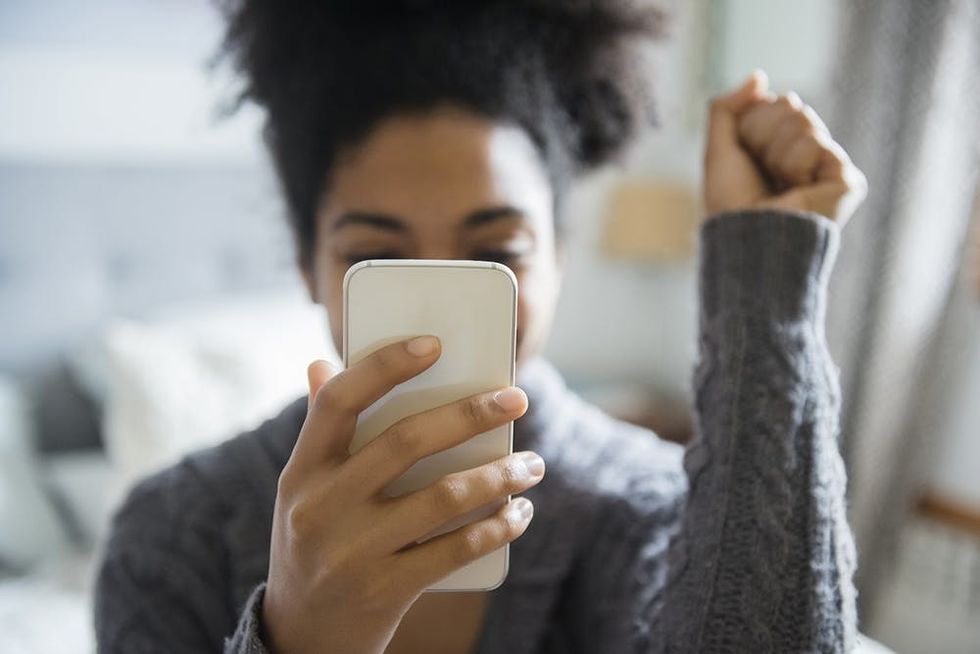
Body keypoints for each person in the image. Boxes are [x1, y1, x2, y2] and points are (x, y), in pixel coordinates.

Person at [94, 1, 868, 652]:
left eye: (496, 251)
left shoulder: (644, 507)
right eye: (378, 254)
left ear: (560, 259)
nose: (441, 300)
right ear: (307, 265)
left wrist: (768, 291)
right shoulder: (172, 534)